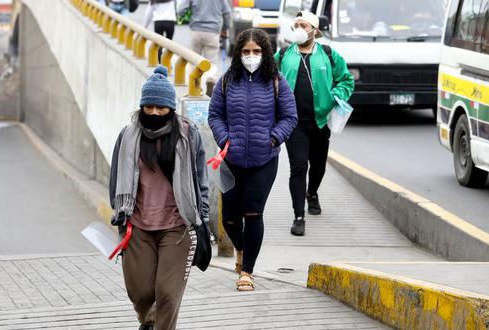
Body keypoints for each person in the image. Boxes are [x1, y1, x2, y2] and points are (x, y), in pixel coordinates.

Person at [109, 66, 210, 330]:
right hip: (138, 224)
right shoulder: (128, 136)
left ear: (171, 108)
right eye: (149, 106)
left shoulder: (188, 135)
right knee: (140, 292)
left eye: (161, 107)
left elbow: (201, 180)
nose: (154, 112)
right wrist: (119, 212)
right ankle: (151, 322)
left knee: (167, 294)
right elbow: (115, 177)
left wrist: (204, 218)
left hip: (178, 226)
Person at [208, 29, 297, 291]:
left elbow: (289, 117)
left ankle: (247, 271)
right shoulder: (227, 81)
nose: (251, 56)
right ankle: (241, 248)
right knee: (230, 219)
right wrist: (225, 138)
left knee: (253, 213)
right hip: (230, 160)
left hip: (264, 160)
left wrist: (273, 139)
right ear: (238, 53)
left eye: (256, 51)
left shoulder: (276, 81)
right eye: (246, 52)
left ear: (265, 53)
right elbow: (215, 115)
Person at [275, 11, 354, 236]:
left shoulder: (328, 54)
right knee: (298, 166)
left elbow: (346, 79)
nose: (299, 28)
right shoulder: (283, 55)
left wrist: (334, 95)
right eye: (296, 24)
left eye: (304, 25)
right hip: (293, 124)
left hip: (321, 121)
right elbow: (266, 78)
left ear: (315, 31)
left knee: (318, 166)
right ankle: (298, 216)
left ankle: (312, 193)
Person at [176, 0, 231, 80]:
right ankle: (210, 79)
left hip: (196, 30)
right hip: (213, 31)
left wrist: (185, 16)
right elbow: (227, 13)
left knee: (194, 60)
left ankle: (194, 85)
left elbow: (180, 9)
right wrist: (225, 28)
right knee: (211, 63)